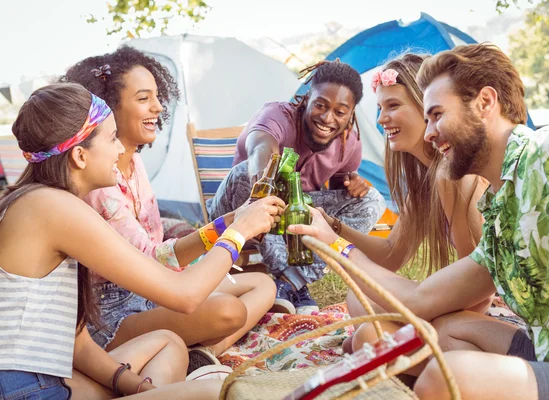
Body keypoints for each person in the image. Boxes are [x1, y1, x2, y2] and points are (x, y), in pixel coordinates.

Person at [289, 43, 549, 399]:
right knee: (434, 332)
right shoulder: (501, 215)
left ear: (485, 102)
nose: (429, 132)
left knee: (449, 374)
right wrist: (336, 242)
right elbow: (421, 297)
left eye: (436, 114)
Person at [0, 82, 282, 399]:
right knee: (221, 391)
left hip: (43, 379)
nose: (121, 149)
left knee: (170, 344)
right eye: (111, 139)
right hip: (28, 390)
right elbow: (185, 295)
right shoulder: (54, 207)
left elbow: (77, 344)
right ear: (80, 155)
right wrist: (239, 231)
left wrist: (136, 387)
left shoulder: (35, 202)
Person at [62, 47, 277, 373]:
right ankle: (194, 349)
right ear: (108, 107)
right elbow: (150, 259)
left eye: (158, 97)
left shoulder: (133, 161)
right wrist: (234, 230)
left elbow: (158, 251)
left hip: (156, 289)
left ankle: (202, 356)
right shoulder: (99, 185)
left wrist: (231, 220)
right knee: (227, 312)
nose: (158, 107)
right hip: (113, 313)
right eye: (144, 98)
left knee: (264, 284)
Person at [318, 53, 492, 354]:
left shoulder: (455, 177)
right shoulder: (426, 181)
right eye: (380, 108)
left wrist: (422, 325)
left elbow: (481, 293)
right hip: (456, 312)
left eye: (393, 105)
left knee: (366, 334)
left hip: (472, 315)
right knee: (359, 299)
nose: (381, 119)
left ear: (426, 107)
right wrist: (332, 225)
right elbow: (391, 255)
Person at [208, 60, 387, 314]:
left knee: (372, 199)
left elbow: (338, 193)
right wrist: (267, 186)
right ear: (307, 98)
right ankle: (288, 279)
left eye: (340, 112)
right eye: (321, 105)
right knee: (245, 175)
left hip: (294, 217)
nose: (327, 118)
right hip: (241, 205)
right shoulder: (277, 116)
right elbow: (260, 148)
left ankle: (292, 281)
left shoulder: (350, 144)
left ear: (351, 115)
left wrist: (353, 184)